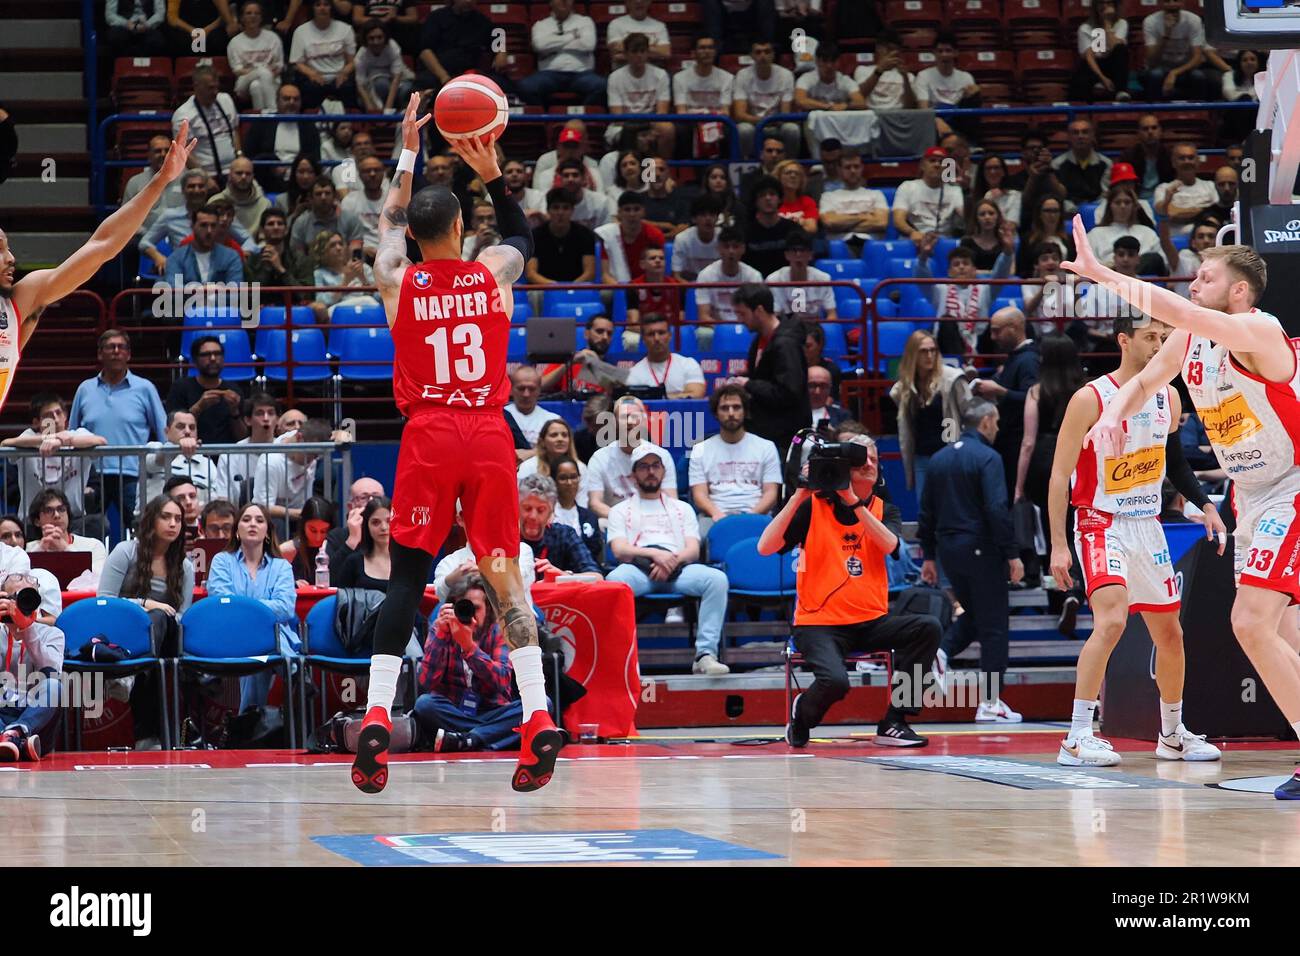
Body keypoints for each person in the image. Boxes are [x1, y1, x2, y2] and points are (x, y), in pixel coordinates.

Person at [353, 97, 561, 795]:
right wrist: (493, 171)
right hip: (488, 433)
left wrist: (407, 153)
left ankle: (378, 711)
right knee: (505, 576)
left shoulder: (397, 278)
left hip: (431, 433)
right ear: (461, 231)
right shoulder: (492, 273)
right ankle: (536, 717)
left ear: (414, 235)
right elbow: (523, 238)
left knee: (408, 578)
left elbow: (385, 221)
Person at [1062, 215, 1300, 799]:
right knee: (1285, 629)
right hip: (1251, 494)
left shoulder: (1260, 330)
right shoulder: (1191, 343)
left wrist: (1103, 275)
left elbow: (1186, 314)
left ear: (1237, 292)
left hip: (1293, 484)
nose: (1193, 286)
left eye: (1205, 277)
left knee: (1249, 622)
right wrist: (1115, 419)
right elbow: (1146, 382)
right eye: (1192, 279)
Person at [1048, 315, 1225, 765]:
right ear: (1124, 340)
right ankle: (1076, 736)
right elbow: (1057, 476)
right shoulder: (1089, 399)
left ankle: (1171, 734)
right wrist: (1057, 545)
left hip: (1148, 524)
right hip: (1099, 521)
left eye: (1164, 339)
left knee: (1171, 634)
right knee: (1111, 622)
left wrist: (1203, 503)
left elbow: (1176, 462)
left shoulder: (1168, 396)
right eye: (1150, 337)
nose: (1158, 346)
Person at [759, 431, 940, 747]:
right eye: (859, 458)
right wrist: (798, 496)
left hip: (870, 621)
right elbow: (765, 547)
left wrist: (853, 502)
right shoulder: (813, 505)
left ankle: (895, 721)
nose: (868, 463)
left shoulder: (886, 509)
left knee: (927, 627)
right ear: (843, 466)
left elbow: (890, 545)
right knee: (836, 682)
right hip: (819, 624)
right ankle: (802, 714)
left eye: (873, 457)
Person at [0, 121, 192, 397]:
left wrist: (161, 180)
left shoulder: (20, 302)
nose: (11, 258)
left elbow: (103, 245)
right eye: (0, 249)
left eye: (8, 248)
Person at [918, 401, 1023, 721]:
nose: (999, 429)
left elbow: (926, 513)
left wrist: (930, 556)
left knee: (977, 616)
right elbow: (996, 508)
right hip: (980, 547)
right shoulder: (988, 458)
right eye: (998, 422)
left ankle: (941, 652)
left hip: (950, 551)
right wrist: (1012, 553)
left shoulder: (938, 458)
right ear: (987, 421)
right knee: (994, 626)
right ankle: (991, 702)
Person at [607, 446, 731, 675]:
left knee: (717, 579)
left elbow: (693, 550)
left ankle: (705, 655)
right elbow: (620, 550)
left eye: (656, 466)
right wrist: (655, 555)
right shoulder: (620, 510)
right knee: (614, 581)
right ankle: (622, 658)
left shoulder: (682, 508)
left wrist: (671, 561)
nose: (650, 472)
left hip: (679, 570)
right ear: (633, 475)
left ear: (664, 471)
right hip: (639, 570)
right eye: (644, 467)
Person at [98, 495, 195, 750]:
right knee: (152, 660)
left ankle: (130, 674)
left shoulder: (184, 565)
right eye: (166, 517)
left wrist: (157, 612)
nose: (173, 523)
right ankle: (149, 740)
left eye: (178, 519)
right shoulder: (125, 552)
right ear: (151, 520)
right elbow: (105, 600)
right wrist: (146, 604)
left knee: (160, 619)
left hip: (168, 637)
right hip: (125, 630)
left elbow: (182, 614)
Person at [69, 329, 168, 537]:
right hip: (93, 475)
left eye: (121, 347)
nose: (116, 351)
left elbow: (163, 432)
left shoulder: (145, 388)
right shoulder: (85, 389)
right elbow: (73, 433)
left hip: (133, 474)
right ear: (100, 354)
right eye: (110, 347)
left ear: (128, 354)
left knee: (143, 531)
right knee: (87, 531)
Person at [413, 573, 524, 753]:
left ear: (488, 608)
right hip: (454, 712)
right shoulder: (441, 628)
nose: (470, 614)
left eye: (476, 608)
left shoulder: (498, 630)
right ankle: (492, 736)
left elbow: (502, 682)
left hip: (493, 710)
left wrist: (470, 648)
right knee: (425, 705)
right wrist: (441, 637)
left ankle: (468, 739)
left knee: (541, 703)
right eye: (464, 608)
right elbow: (426, 682)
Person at [206, 501, 298, 711]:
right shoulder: (222, 561)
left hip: (269, 635)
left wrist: (245, 607)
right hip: (232, 636)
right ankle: (295, 672)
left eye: (259, 520)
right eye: (246, 520)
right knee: (263, 643)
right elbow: (222, 605)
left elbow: (285, 608)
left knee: (261, 648)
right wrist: (260, 611)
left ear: (267, 531)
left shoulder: (281, 566)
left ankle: (248, 722)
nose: (252, 524)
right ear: (237, 530)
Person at [3, 392, 107, 535]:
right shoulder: (29, 436)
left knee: (100, 524)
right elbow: (6, 443)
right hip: (33, 521)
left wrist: (62, 441)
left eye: (58, 413)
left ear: (66, 418)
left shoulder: (78, 434)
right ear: (36, 422)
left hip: (72, 519)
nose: (55, 419)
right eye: (48, 416)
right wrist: (47, 438)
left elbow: (101, 441)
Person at [726, 281, 810, 459]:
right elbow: (767, 377)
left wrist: (749, 384)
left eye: (743, 313)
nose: (740, 320)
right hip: (766, 431)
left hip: (783, 437)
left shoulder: (785, 344)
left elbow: (788, 392)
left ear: (759, 311)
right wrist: (745, 379)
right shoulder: (760, 340)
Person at [689, 384, 782, 538]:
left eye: (736, 407)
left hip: (757, 515)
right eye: (725, 408)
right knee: (700, 534)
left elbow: (771, 494)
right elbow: (699, 496)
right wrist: (718, 516)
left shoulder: (766, 447)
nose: (731, 413)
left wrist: (750, 518)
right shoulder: (700, 450)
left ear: (745, 411)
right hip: (715, 517)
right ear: (716, 413)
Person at [890, 330, 970, 498]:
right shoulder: (903, 388)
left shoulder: (952, 379)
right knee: (924, 511)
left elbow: (970, 415)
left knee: (951, 507)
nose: (930, 355)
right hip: (922, 456)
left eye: (933, 350)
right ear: (913, 354)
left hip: (950, 454)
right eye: (923, 351)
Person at [971, 307, 1040, 500]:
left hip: (1017, 445)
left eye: (997, 330)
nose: (993, 337)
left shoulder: (1028, 360)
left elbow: (1033, 399)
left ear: (1015, 327)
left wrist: (999, 391)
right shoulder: (1015, 358)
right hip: (1009, 444)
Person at [0, 570, 65, 761]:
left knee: (54, 686)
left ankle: (15, 734)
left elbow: (51, 670)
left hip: (36, 721)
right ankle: (14, 741)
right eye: (15, 598)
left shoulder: (53, 634)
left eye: (26, 598)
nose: (19, 606)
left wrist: (28, 629)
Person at [915, 233, 1013, 358]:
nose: (961, 267)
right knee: (947, 321)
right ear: (949, 272)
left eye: (966, 263)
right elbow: (921, 278)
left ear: (974, 270)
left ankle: (1000, 369)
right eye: (956, 264)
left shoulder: (985, 290)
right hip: (949, 342)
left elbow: (1000, 275)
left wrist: (1008, 252)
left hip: (980, 341)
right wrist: (923, 256)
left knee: (999, 321)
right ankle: (959, 366)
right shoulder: (939, 290)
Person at [582, 396, 678, 517]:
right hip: (614, 518)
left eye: (635, 416)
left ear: (644, 420)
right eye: (624, 417)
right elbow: (595, 503)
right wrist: (625, 520)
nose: (631, 422)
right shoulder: (600, 458)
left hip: (654, 518)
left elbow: (671, 500)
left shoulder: (662, 456)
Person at [518, 0, 606, 109]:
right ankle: (546, 118)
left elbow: (588, 45)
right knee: (525, 87)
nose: (564, 1)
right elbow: (540, 46)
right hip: (549, 74)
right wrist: (573, 36)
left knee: (602, 86)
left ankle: (581, 118)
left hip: (581, 73)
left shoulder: (585, 22)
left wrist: (552, 43)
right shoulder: (541, 25)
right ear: (551, 3)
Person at [524, 190, 597, 315]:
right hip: (546, 288)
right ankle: (537, 331)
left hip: (577, 287)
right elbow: (531, 273)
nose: (560, 213)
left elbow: (589, 273)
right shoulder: (535, 235)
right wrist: (555, 287)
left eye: (565, 208)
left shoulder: (585, 234)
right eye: (556, 208)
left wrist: (571, 288)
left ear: (572, 210)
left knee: (607, 294)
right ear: (548, 210)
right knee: (534, 295)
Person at [415, 0, 507, 97]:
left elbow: (497, 34)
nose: (469, 1)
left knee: (499, 83)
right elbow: (425, 51)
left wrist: (501, 52)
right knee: (425, 84)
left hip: (470, 75)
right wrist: (444, 77)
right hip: (440, 73)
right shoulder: (436, 18)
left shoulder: (481, 20)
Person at [606, 33, 675, 160]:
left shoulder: (660, 75)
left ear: (648, 53)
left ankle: (658, 170)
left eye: (642, 51)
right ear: (626, 54)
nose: (639, 56)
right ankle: (631, 174)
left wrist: (648, 129)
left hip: (651, 125)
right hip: (624, 126)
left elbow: (662, 114)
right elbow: (618, 117)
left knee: (667, 128)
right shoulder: (615, 77)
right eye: (634, 52)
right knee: (634, 134)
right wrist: (642, 130)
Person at [518, 475, 601, 578]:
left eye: (541, 510)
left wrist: (563, 576)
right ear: (516, 508)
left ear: (551, 512)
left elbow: (597, 577)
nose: (533, 516)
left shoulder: (565, 534)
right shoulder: (504, 538)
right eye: (527, 508)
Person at [694, 227, 763, 350]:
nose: (731, 251)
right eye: (726, 247)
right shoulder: (705, 275)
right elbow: (703, 316)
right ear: (718, 249)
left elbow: (758, 314)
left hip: (746, 325)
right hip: (716, 326)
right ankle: (705, 367)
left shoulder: (754, 276)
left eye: (735, 247)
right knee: (703, 334)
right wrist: (726, 330)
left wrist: (740, 327)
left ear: (743, 249)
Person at [244, 89, 323, 194]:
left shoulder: (308, 127)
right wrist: (271, 166)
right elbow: (249, 155)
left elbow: (315, 158)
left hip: (300, 183)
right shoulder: (262, 124)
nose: (291, 102)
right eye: (286, 99)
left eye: (296, 99)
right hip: (267, 182)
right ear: (277, 101)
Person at [172, 65, 241, 184]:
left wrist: (240, 157)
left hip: (233, 171)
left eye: (216, 87)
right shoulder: (183, 115)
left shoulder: (225, 100)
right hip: (206, 176)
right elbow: (184, 152)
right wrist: (205, 178)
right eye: (210, 88)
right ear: (196, 86)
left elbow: (234, 131)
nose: (215, 92)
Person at [1141, 0, 1219, 102]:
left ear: (1182, 3)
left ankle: (1198, 113)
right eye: (1167, 1)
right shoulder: (1150, 21)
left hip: (1186, 69)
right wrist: (1166, 34)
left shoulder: (1193, 20)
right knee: (1155, 75)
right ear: (1161, 3)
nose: (1172, 4)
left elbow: (1197, 58)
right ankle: (1153, 113)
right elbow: (1151, 61)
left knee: (1198, 76)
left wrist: (1174, 73)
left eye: (1176, 1)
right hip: (1160, 67)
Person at [734, 39, 799, 159]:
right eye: (758, 52)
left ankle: (788, 164)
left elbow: (785, 113)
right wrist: (761, 120)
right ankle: (746, 162)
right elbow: (739, 114)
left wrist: (773, 120)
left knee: (792, 129)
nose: (763, 56)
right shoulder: (742, 75)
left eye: (767, 52)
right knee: (743, 129)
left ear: (773, 55)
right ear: (752, 56)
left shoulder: (786, 75)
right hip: (753, 124)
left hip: (777, 124)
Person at [289, 0, 358, 109]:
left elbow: (352, 61)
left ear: (331, 8)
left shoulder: (345, 29)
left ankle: (349, 123)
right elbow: (297, 63)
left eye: (326, 5)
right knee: (310, 89)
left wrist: (344, 73)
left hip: (339, 75)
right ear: (313, 9)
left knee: (348, 87)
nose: (322, 8)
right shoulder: (301, 31)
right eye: (318, 5)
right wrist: (311, 74)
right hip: (314, 76)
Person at [25, 489, 109, 576]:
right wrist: (40, 551)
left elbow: (98, 577)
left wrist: (65, 548)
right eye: (48, 511)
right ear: (37, 521)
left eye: (61, 509)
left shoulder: (93, 546)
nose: (57, 515)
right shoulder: (28, 549)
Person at [819, 151, 888, 254]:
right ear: (839, 170)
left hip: (871, 245)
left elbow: (881, 223)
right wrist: (864, 216)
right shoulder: (828, 196)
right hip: (840, 245)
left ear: (862, 168)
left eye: (856, 166)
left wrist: (842, 225)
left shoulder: (876, 194)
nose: (853, 171)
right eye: (848, 167)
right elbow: (830, 222)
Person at [893, 148, 965, 244]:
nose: (937, 165)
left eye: (941, 162)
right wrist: (912, 232)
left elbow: (966, 217)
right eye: (932, 161)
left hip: (945, 240)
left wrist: (966, 189)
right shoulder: (908, 187)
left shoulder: (955, 190)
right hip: (916, 237)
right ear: (923, 165)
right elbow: (898, 220)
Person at [1087, 182, 1163, 273]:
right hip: (1106, 278)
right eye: (1117, 202)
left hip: (1141, 279)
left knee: (1153, 258)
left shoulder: (1148, 233)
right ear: (1110, 206)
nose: (1122, 206)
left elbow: (1162, 261)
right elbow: (1088, 262)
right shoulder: (1095, 234)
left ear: (1133, 206)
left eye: (1127, 202)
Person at [227, 0, 284, 113]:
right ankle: (273, 110)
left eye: (256, 13)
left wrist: (268, 72)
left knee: (256, 86)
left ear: (261, 17)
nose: (253, 16)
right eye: (249, 13)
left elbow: (279, 65)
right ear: (242, 18)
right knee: (262, 72)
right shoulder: (235, 42)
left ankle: (260, 118)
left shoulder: (273, 38)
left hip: (272, 81)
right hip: (244, 83)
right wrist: (261, 71)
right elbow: (238, 71)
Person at [1069, 0, 1130, 103]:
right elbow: (1089, 56)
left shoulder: (1121, 24)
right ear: (1095, 6)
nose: (1105, 6)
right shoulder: (1085, 28)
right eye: (1101, 3)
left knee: (1121, 49)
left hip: (1112, 65)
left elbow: (1114, 46)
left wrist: (1107, 23)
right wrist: (1102, 78)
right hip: (1094, 67)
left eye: (1109, 3)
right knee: (1082, 70)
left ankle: (1121, 91)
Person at [124, 136, 186, 239]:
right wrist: (147, 236)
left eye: (167, 150)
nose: (163, 154)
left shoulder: (185, 179)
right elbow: (126, 218)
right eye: (158, 151)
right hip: (144, 237)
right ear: (149, 155)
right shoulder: (135, 182)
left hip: (180, 238)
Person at [768, 231, 836, 323]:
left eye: (803, 250)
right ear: (786, 255)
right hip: (786, 329)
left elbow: (832, 314)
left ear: (811, 255)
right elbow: (775, 316)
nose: (798, 254)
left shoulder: (823, 279)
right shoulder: (774, 280)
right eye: (794, 250)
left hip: (815, 328)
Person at [1153, 142, 1216, 239]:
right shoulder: (1163, 189)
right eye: (1182, 158)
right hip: (1175, 242)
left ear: (1198, 161)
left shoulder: (1211, 186)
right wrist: (1203, 211)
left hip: (1206, 240)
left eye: (1191, 158)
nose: (1187, 162)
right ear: (1173, 163)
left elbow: (1215, 214)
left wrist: (1180, 212)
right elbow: (1168, 213)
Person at [289, 176, 365, 255]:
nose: (323, 197)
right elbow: (298, 257)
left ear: (335, 196)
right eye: (318, 194)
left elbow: (355, 253)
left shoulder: (351, 220)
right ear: (310, 198)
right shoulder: (301, 223)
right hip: (311, 266)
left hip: (345, 264)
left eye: (327, 193)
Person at [324, 477, 383, 578]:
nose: (372, 502)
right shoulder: (337, 537)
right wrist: (352, 541)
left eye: (376, 497)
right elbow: (328, 579)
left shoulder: (392, 535)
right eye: (364, 498)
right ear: (350, 507)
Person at [552, 459, 603, 569]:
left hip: (586, 573)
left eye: (573, 477)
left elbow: (595, 550)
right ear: (553, 481)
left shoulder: (590, 517)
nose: (569, 482)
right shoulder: (547, 515)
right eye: (563, 478)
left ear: (579, 479)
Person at [355, 19, 413, 114]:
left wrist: (388, 109)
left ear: (385, 37)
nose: (376, 42)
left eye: (379, 37)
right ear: (365, 39)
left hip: (397, 84)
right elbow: (360, 84)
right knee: (381, 84)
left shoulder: (393, 47)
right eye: (371, 38)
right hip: (374, 86)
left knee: (407, 89)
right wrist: (370, 108)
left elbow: (396, 79)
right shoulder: (361, 55)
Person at [1051, 118, 1112, 207]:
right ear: (1069, 137)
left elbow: (1105, 195)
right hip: (1068, 213)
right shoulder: (1057, 165)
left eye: (1085, 132)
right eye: (1075, 133)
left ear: (1092, 136)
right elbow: (1058, 196)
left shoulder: (1106, 164)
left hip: (1096, 212)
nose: (1080, 136)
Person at [337, 496, 393, 590]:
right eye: (376, 522)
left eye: (389, 521)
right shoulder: (353, 562)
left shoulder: (409, 561)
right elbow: (343, 600)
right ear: (366, 526)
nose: (384, 527)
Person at [1118, 114, 1174, 204]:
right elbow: (1122, 187)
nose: (1150, 132)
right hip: (1135, 203)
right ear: (1138, 133)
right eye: (1145, 129)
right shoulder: (1128, 156)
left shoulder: (1170, 155)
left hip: (1164, 202)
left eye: (1154, 128)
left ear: (1160, 131)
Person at [280, 495, 334, 584]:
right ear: (303, 525)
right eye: (313, 530)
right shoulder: (287, 551)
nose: (318, 537)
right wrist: (292, 584)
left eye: (324, 531)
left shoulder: (336, 548)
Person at [505, 366, 563, 448]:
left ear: (539, 390)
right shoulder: (501, 417)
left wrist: (530, 453)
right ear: (511, 388)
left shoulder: (553, 420)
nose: (526, 394)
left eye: (532, 389)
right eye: (521, 388)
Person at [212, 156, 271, 235]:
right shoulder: (215, 201)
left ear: (253, 177)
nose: (243, 177)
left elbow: (265, 237)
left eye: (248, 174)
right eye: (239, 173)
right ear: (229, 176)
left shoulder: (265, 204)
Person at [672, 196, 722, 281]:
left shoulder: (724, 238)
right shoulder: (682, 239)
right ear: (694, 219)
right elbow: (676, 275)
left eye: (712, 215)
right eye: (703, 215)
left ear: (717, 218)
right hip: (690, 285)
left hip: (717, 285)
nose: (708, 219)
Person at [971, 155, 1022, 230]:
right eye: (988, 168)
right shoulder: (974, 196)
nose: (992, 171)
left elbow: (1010, 227)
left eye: (996, 167)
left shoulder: (1014, 195)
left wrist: (991, 199)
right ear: (982, 173)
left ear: (1003, 171)